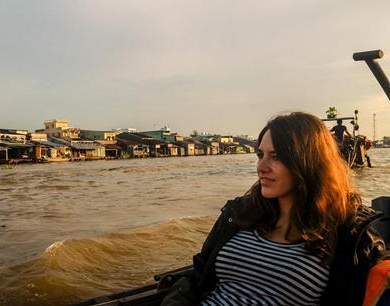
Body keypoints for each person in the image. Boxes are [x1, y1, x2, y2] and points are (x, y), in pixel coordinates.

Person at [161, 112, 387, 306]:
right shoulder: (239, 214)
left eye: (276, 157)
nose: (261, 167)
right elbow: (197, 276)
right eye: (260, 155)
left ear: (308, 162)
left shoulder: (352, 234)